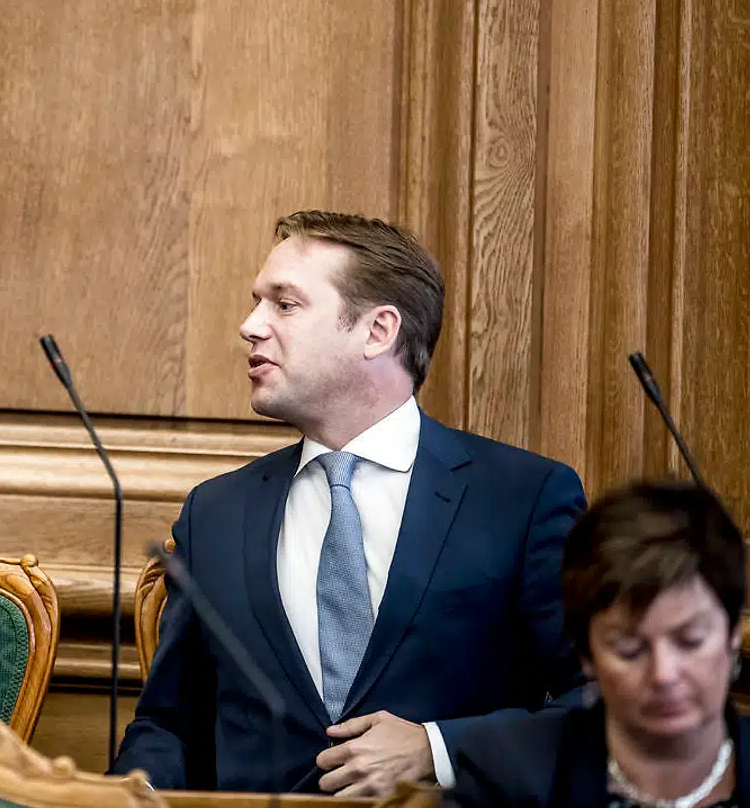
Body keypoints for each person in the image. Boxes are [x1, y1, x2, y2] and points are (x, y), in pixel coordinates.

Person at [112, 210, 586, 795]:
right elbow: (171, 726)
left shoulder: (522, 499)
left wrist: (438, 750)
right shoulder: (216, 513)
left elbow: (597, 704)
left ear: (377, 331)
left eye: (285, 304)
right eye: (257, 303)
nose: (250, 326)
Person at [448, 480, 749, 807]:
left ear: (733, 633)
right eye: (629, 650)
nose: (663, 674)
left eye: (690, 642)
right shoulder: (504, 774)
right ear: (587, 654)